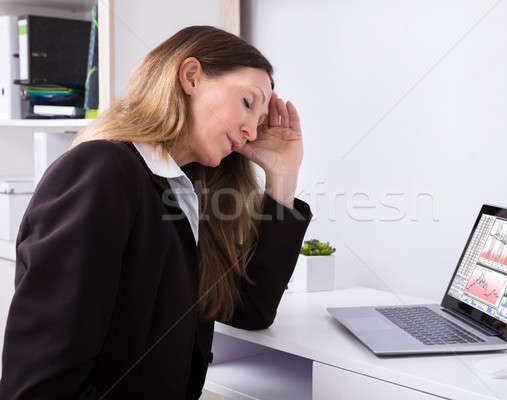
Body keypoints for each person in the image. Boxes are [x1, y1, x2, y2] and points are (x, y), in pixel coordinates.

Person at [0, 26, 312, 399]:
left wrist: (282, 175)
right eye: (248, 103)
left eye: (260, 122)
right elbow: (38, 386)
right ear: (191, 76)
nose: (250, 131)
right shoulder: (102, 171)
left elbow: (250, 310)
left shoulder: (184, 191)